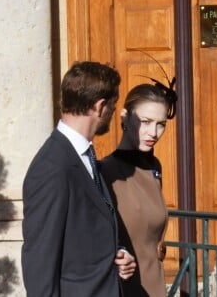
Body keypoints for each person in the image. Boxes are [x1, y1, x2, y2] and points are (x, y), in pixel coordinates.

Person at [21, 61, 136, 297]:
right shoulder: (52, 167)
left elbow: (85, 232)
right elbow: (39, 260)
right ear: (100, 106)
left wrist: (119, 253)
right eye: (113, 106)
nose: (114, 113)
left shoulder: (85, 156)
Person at [101, 82, 177, 297]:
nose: (153, 132)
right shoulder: (106, 172)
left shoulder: (154, 167)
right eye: (145, 122)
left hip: (155, 284)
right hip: (123, 288)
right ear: (124, 117)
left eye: (161, 124)